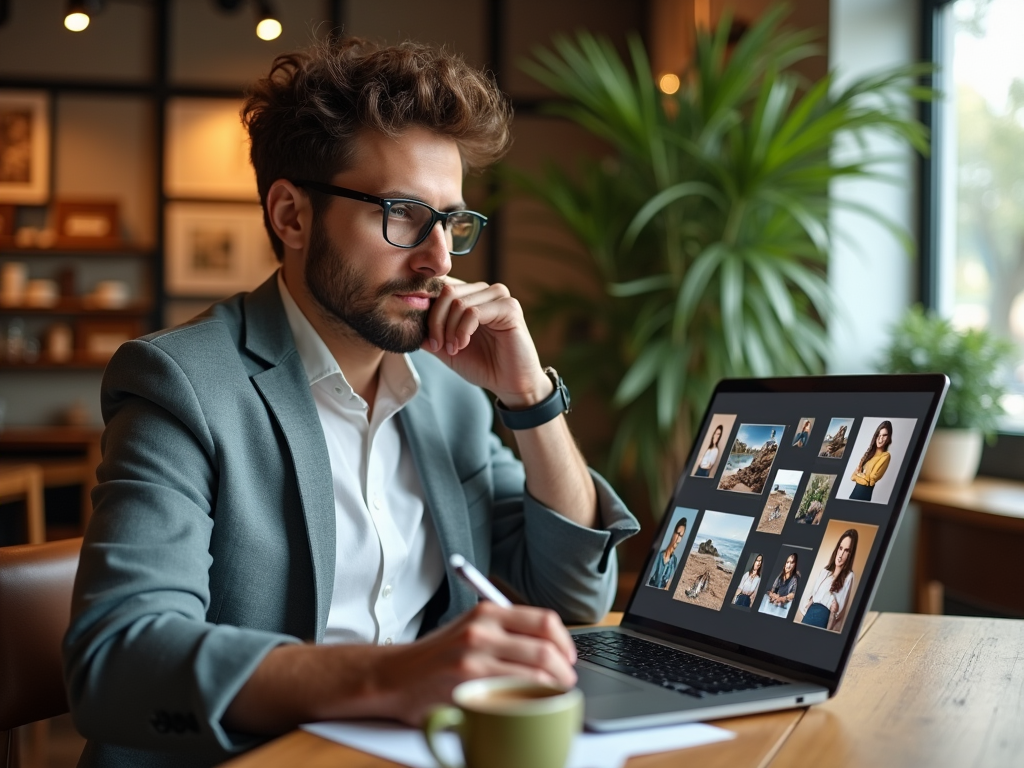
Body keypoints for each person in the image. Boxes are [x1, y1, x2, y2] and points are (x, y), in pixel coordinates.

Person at [62, 38, 639, 768]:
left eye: (452, 222)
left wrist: (528, 399)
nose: (439, 260)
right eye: (402, 214)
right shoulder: (182, 384)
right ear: (291, 216)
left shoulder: (451, 398)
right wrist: (395, 675)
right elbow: (117, 659)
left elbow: (569, 598)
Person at [800, 530, 858, 632]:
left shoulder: (849, 576)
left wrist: (829, 629)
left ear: (850, 555)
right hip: (808, 617)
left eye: (846, 550)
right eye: (840, 548)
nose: (841, 554)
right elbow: (811, 599)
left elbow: (836, 611)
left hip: (823, 621)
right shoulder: (824, 572)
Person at [849, 421, 892, 501]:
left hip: (864, 493)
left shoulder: (885, 456)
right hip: (855, 493)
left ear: (889, 437)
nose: (880, 438)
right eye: (878, 435)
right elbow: (853, 476)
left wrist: (860, 475)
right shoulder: (868, 454)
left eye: (884, 435)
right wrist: (864, 476)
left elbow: (871, 480)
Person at [648, 519, 687, 589]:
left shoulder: (674, 561)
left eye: (681, 536)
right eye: (677, 533)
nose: (678, 538)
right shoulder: (659, 555)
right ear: (673, 533)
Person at [759, 552, 800, 618]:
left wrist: (782, 599)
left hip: (784, 605)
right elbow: (773, 590)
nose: (788, 565)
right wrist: (773, 595)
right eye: (787, 562)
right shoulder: (780, 576)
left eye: (791, 563)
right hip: (775, 602)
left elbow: (793, 595)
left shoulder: (795, 578)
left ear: (795, 564)